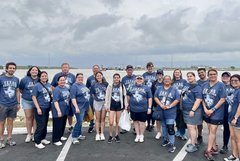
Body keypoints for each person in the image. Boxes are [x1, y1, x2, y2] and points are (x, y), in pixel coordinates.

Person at [202, 69, 226, 161]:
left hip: (216, 112)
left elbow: (222, 99)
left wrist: (213, 109)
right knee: (210, 130)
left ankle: (208, 150)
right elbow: (202, 98)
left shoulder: (221, 85)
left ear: (217, 75)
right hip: (207, 111)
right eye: (210, 74)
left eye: (214, 74)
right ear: (208, 75)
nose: (212, 76)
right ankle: (214, 147)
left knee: (213, 130)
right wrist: (205, 109)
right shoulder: (205, 85)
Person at [154, 75, 180, 153]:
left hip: (170, 112)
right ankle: (166, 140)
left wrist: (169, 106)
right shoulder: (159, 88)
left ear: (171, 81)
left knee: (170, 128)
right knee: (164, 127)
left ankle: (172, 144)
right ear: (163, 80)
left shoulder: (174, 89)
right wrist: (161, 105)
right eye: (165, 79)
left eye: (168, 79)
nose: (167, 80)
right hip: (161, 111)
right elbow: (155, 97)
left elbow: (177, 99)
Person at [0, 62, 20, 148]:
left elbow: (17, 91)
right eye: (10, 68)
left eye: (13, 68)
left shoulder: (16, 79)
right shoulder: (1, 78)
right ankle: (1, 140)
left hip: (13, 104)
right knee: (1, 122)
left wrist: (18, 103)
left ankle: (9, 139)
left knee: (10, 122)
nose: (12, 69)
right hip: (3, 104)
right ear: (7, 69)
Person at [51, 63, 75, 132]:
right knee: (60, 112)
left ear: (69, 68)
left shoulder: (72, 76)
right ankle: (59, 128)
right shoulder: (57, 75)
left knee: (70, 113)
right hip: (61, 98)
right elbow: (52, 86)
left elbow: (74, 86)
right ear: (61, 68)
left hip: (69, 98)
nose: (65, 68)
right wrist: (56, 93)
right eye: (64, 67)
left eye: (66, 67)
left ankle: (70, 126)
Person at [182, 72, 203, 153]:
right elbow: (183, 95)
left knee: (191, 127)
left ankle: (193, 145)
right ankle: (193, 142)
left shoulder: (197, 87)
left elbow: (199, 100)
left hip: (194, 110)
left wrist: (193, 110)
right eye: (188, 76)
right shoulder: (186, 85)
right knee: (191, 127)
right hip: (185, 109)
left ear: (194, 77)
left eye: (191, 76)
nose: (189, 77)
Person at [128, 75, 152, 143]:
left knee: (142, 122)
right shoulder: (131, 87)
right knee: (135, 122)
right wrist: (128, 105)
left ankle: (141, 135)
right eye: (138, 79)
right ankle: (137, 135)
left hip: (143, 109)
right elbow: (128, 96)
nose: (139, 80)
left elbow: (150, 98)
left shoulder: (146, 88)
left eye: (140, 79)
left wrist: (149, 107)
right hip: (133, 108)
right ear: (135, 80)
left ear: (143, 80)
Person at [104, 73, 128, 143]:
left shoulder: (122, 86)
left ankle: (117, 135)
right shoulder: (110, 86)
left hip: (119, 106)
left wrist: (126, 104)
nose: (116, 79)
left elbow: (125, 96)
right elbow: (107, 96)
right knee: (111, 122)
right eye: (115, 77)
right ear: (113, 78)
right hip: (111, 106)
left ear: (119, 78)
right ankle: (110, 136)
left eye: (118, 77)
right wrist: (106, 105)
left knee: (118, 122)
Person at [19, 66, 41, 143]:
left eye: (36, 70)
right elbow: (21, 89)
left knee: (35, 118)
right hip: (27, 101)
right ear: (30, 71)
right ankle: (29, 134)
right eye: (33, 70)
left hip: (37, 101)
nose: (34, 71)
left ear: (38, 71)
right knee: (28, 117)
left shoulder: (40, 79)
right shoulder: (24, 79)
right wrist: (27, 95)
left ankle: (35, 134)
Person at [32, 71, 52, 149]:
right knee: (41, 125)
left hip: (47, 107)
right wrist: (38, 108)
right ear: (39, 77)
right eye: (42, 76)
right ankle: (37, 141)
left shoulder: (48, 85)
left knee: (45, 124)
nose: (44, 77)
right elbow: (33, 97)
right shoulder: (37, 86)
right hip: (40, 107)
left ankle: (43, 138)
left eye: (45, 76)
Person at [70, 73, 90, 144]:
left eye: (82, 77)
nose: (80, 78)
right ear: (76, 78)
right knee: (79, 121)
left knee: (81, 122)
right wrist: (76, 107)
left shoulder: (83, 85)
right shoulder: (74, 86)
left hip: (84, 106)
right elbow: (73, 98)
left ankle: (79, 134)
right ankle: (74, 137)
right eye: (79, 77)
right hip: (79, 107)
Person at [224, 74, 240, 161]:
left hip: (237, 119)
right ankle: (234, 155)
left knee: (238, 139)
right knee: (233, 138)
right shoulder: (234, 90)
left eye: (236, 80)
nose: (233, 82)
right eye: (232, 80)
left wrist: (236, 117)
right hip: (231, 118)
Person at [86, 65, 105, 133]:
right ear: (92, 70)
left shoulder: (102, 78)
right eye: (94, 69)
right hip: (92, 97)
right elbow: (87, 87)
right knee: (91, 111)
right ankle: (91, 125)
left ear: (99, 70)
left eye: (97, 69)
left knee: (100, 112)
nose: (95, 70)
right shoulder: (89, 78)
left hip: (101, 98)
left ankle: (99, 126)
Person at [52, 75, 70, 146]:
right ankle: (56, 139)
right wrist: (58, 111)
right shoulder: (57, 89)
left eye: (63, 80)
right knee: (57, 125)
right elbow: (55, 101)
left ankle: (60, 136)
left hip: (65, 109)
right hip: (58, 109)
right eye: (61, 80)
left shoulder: (65, 88)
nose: (62, 81)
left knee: (62, 124)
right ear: (58, 82)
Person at [90, 71, 108, 141]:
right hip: (97, 102)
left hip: (104, 103)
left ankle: (102, 133)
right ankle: (97, 134)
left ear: (102, 76)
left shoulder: (106, 84)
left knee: (103, 119)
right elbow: (92, 94)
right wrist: (97, 100)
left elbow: (108, 93)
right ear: (95, 77)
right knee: (97, 119)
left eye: (100, 75)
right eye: (97, 76)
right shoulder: (93, 85)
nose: (99, 77)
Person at [172, 69, 188, 140]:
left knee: (182, 119)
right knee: (176, 118)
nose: (177, 73)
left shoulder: (184, 81)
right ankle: (178, 131)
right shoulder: (172, 82)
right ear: (174, 74)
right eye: (176, 72)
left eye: (178, 72)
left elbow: (185, 91)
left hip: (182, 102)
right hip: (174, 103)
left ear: (180, 73)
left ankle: (183, 133)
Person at [220, 72, 233, 154]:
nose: (225, 77)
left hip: (232, 111)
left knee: (234, 131)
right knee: (226, 129)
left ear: (230, 77)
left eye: (227, 76)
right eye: (223, 76)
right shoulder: (219, 86)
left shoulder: (234, 86)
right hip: (222, 110)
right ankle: (225, 145)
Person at [121, 65, 136, 134]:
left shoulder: (135, 77)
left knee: (134, 113)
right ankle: (125, 128)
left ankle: (135, 128)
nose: (129, 71)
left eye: (131, 70)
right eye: (128, 70)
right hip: (126, 97)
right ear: (126, 70)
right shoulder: (124, 79)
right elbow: (121, 89)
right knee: (125, 112)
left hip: (134, 97)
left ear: (132, 70)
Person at [143, 62, 156, 132]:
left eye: (151, 67)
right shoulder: (144, 75)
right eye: (149, 67)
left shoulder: (155, 74)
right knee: (148, 110)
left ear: (153, 67)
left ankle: (153, 124)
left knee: (153, 110)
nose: (150, 68)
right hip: (146, 94)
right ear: (147, 68)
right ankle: (148, 124)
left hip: (154, 94)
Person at [196, 67, 208, 145]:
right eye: (199, 73)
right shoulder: (197, 83)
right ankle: (199, 136)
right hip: (199, 106)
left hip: (208, 106)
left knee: (211, 124)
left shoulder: (210, 81)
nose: (201, 74)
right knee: (199, 123)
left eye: (202, 72)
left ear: (205, 72)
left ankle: (213, 139)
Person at [151, 69, 164, 139]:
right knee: (158, 119)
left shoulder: (165, 82)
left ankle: (165, 132)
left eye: (161, 74)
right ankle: (158, 132)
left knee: (165, 118)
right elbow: (152, 93)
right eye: (158, 74)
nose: (159, 75)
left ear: (162, 75)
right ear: (156, 75)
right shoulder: (154, 83)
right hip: (156, 104)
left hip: (165, 103)